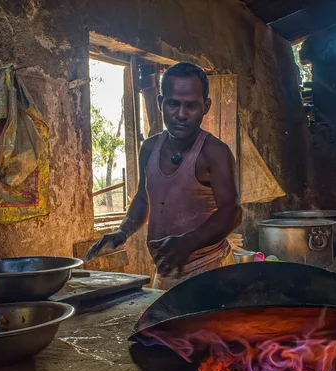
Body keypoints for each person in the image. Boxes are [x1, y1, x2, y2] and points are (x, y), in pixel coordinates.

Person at [85, 62, 242, 290]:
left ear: (206, 107)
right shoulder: (149, 148)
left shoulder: (214, 152)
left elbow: (232, 211)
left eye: (191, 106)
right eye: (172, 104)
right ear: (160, 103)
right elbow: (142, 198)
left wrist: (189, 242)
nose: (181, 114)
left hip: (210, 270)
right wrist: (123, 230)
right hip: (167, 269)